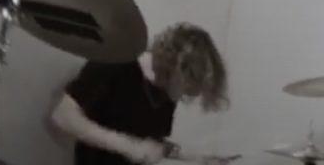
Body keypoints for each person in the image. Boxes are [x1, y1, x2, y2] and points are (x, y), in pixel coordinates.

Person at [51, 22, 233, 165]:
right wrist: (129, 146)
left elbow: (148, 141)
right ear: (173, 69)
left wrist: (195, 158)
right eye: (186, 90)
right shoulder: (115, 62)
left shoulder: (166, 88)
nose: (183, 97)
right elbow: (62, 116)